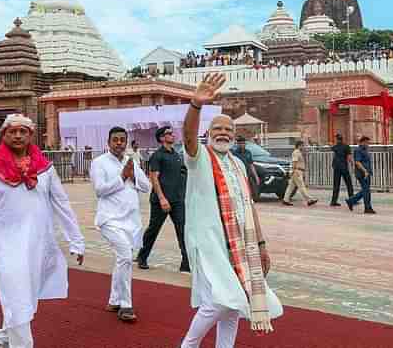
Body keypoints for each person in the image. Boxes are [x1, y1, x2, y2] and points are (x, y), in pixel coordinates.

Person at [0, 114, 85, 348]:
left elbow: (62, 204)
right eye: (12, 131)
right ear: (3, 135)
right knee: (17, 296)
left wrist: (76, 240)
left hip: (37, 245)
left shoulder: (44, 168)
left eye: (23, 131)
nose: (17, 135)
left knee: (24, 298)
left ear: (30, 135)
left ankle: (3, 336)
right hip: (5, 246)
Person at [180, 73, 283, 348]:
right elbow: (188, 137)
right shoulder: (199, 158)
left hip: (240, 243)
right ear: (208, 134)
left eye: (228, 130)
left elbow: (248, 206)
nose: (223, 133)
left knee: (236, 305)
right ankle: (188, 345)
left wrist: (261, 244)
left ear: (235, 136)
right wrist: (196, 105)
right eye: (218, 129)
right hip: (210, 241)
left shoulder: (237, 164)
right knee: (222, 299)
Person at [89, 127, 151, 322]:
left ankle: (114, 300)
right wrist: (122, 177)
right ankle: (126, 305)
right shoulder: (99, 163)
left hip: (131, 221)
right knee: (125, 255)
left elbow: (147, 187)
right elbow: (100, 190)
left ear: (126, 142)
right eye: (115, 140)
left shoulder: (131, 161)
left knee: (122, 259)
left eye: (122, 140)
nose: (119, 143)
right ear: (108, 143)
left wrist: (133, 175)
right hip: (110, 220)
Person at [136, 126, 189, 273]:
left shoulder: (176, 155)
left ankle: (186, 262)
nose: (172, 135)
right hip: (161, 200)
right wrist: (162, 198)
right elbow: (154, 178)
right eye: (168, 134)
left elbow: (182, 174)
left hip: (177, 200)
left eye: (172, 133)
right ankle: (142, 256)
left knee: (182, 231)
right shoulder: (157, 156)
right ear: (161, 138)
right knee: (153, 230)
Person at [346, 136, 376, 214]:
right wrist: (365, 171)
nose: (368, 144)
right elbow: (357, 162)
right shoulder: (358, 150)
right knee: (366, 190)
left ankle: (351, 201)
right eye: (367, 142)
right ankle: (367, 208)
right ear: (363, 142)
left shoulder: (365, 150)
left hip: (366, 173)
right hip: (362, 173)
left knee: (366, 190)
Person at [282, 141, 317, 207]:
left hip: (296, 171)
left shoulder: (298, 152)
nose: (303, 147)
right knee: (301, 187)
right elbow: (294, 162)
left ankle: (285, 200)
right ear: (299, 145)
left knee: (290, 187)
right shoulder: (296, 152)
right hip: (297, 171)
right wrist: (294, 170)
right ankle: (309, 200)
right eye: (302, 145)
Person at [231, 136, 261, 201]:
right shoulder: (234, 153)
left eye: (243, 143)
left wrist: (256, 177)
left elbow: (251, 165)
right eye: (240, 143)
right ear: (237, 144)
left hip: (248, 174)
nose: (242, 145)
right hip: (239, 176)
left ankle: (250, 200)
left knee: (252, 190)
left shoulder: (248, 152)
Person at [329, 133, 353, 207]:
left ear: (337, 139)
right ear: (342, 139)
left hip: (336, 167)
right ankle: (352, 200)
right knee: (349, 184)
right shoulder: (347, 146)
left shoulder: (335, 147)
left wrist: (331, 144)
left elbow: (332, 147)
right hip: (344, 167)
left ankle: (333, 201)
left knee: (336, 185)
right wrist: (353, 163)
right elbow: (349, 157)